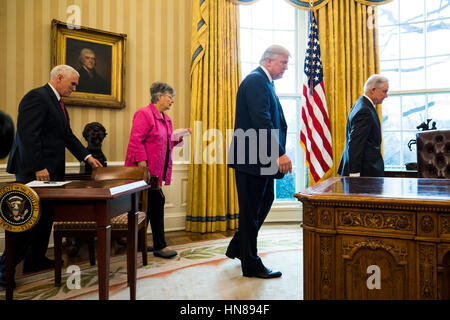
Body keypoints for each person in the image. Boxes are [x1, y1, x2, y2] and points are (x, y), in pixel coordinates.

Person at [0, 64, 103, 287]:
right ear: (58, 78)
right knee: (27, 221)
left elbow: (68, 137)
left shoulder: (58, 103)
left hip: (50, 173)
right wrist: (38, 166)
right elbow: (28, 135)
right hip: (33, 171)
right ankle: (3, 271)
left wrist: (87, 157)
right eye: (72, 83)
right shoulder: (36, 97)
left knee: (45, 218)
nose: (75, 88)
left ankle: (34, 260)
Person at [226, 45, 292, 279]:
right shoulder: (256, 80)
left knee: (261, 204)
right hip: (252, 159)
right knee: (251, 210)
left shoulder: (265, 82)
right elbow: (261, 120)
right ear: (267, 61)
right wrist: (279, 152)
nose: (286, 67)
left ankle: (238, 247)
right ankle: (251, 264)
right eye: (283, 62)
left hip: (259, 159)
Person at [125, 82, 191, 259]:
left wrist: (179, 137)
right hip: (144, 173)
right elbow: (135, 141)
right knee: (155, 204)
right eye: (170, 97)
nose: (172, 101)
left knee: (147, 206)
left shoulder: (166, 119)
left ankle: (140, 244)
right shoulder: (144, 114)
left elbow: (166, 144)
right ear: (159, 96)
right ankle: (160, 246)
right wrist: (143, 166)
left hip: (156, 174)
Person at [337, 74, 389, 177]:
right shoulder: (365, 110)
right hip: (365, 173)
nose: (386, 96)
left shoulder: (360, 104)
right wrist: (354, 174)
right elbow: (355, 144)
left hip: (366, 171)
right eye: (384, 91)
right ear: (373, 90)